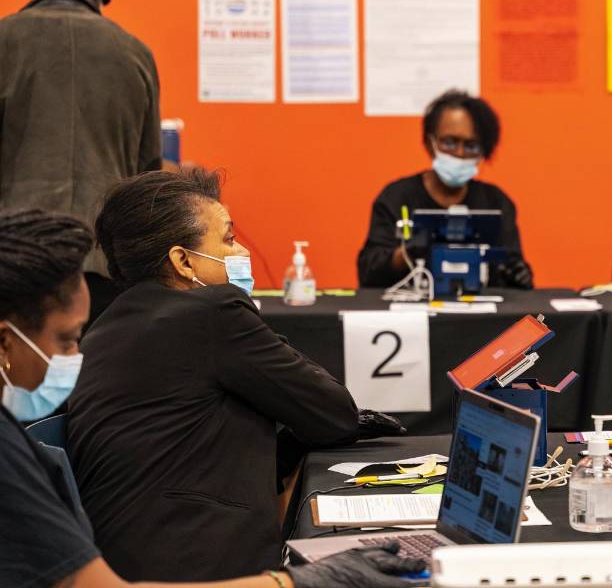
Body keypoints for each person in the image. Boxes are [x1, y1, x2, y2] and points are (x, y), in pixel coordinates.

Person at [0, 208, 422, 588]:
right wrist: (293, 583)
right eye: (66, 340)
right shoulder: (212, 312)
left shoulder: (112, 325)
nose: (75, 355)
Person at [67, 170, 363, 582]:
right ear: (183, 261)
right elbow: (335, 414)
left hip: (120, 559)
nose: (241, 251)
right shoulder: (214, 313)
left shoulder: (104, 328)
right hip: (196, 564)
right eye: (228, 239)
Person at [0, 0, 162, 323]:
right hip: (103, 267)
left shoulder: (3, 39)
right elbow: (148, 176)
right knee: (95, 364)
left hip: (14, 260)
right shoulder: (136, 55)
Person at [357, 90, 532, 289]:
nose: (459, 153)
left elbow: (512, 269)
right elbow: (368, 272)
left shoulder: (496, 202)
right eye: (449, 142)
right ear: (430, 143)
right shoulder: (397, 197)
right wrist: (407, 253)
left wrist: (518, 275)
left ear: (483, 151)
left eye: (471, 146)